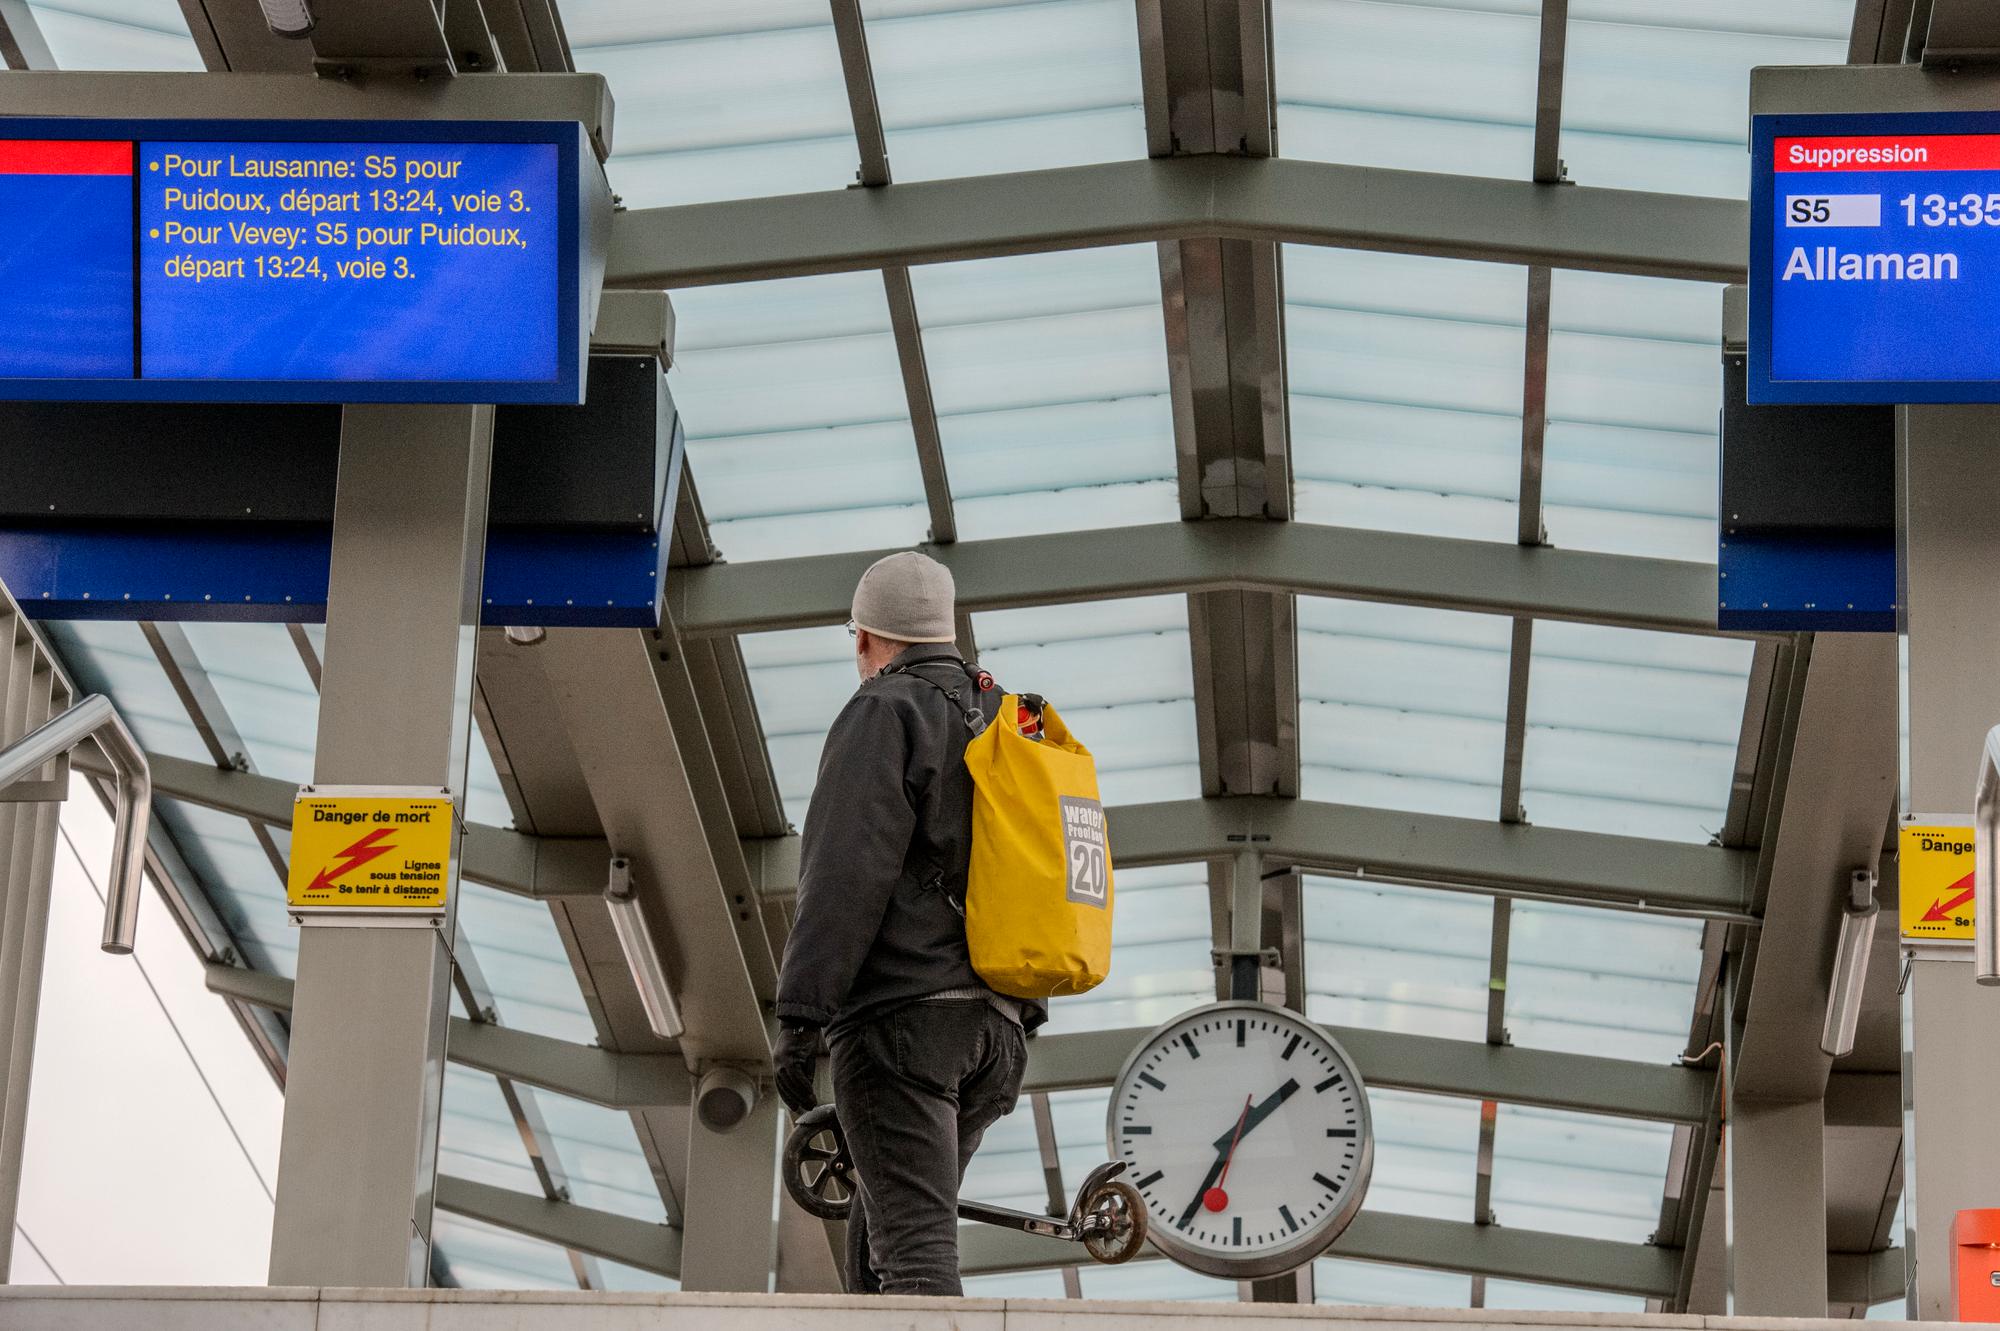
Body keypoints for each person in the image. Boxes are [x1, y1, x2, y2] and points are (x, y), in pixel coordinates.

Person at [772, 550, 1043, 1296]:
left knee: (916, 1261)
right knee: (879, 1231)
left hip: (905, 1025)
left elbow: (844, 869)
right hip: (998, 1030)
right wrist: (1023, 1006)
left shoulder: (884, 709)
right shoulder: (1011, 717)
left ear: (865, 636)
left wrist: (800, 1015)